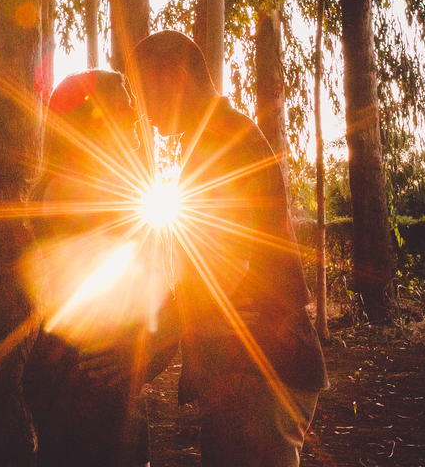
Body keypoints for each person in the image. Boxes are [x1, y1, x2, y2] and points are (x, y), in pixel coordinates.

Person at [125, 30, 328, 467]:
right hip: (253, 368)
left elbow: (222, 267)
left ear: (177, 78)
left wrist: (141, 356)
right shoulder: (215, 139)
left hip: (259, 371)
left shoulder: (223, 141)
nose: (141, 111)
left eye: (143, 93)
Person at [22, 70, 174, 467]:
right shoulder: (86, 191)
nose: (136, 120)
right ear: (94, 119)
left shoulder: (77, 185)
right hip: (88, 384)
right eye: (123, 109)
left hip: (81, 375)